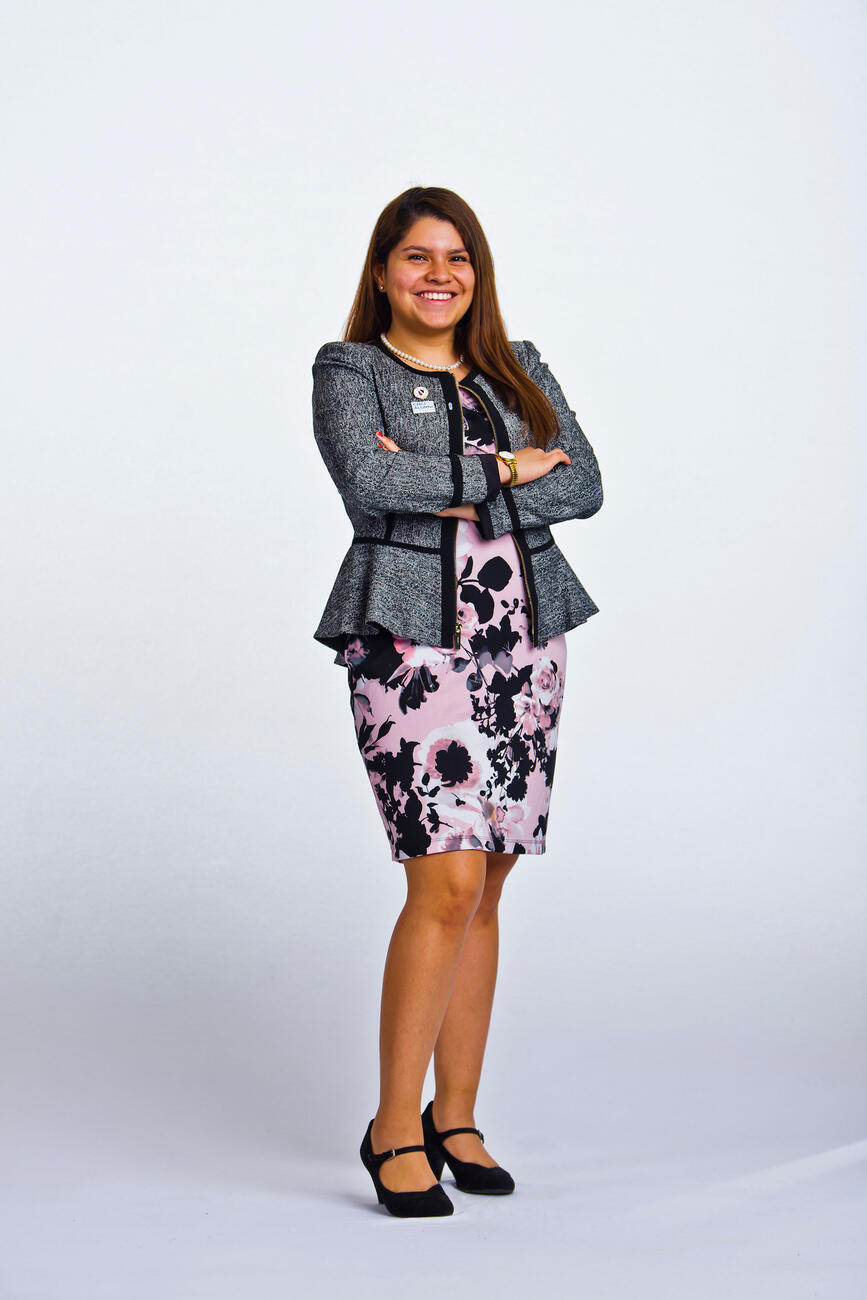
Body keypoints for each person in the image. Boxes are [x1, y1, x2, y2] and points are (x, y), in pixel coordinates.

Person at [311, 186, 604, 1217]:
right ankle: (394, 1126)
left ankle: (458, 1114)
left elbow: (587, 485)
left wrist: (445, 474)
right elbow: (367, 481)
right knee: (443, 879)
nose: (440, 274)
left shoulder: (519, 365)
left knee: (488, 888)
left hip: (523, 643)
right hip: (410, 643)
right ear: (384, 270)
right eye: (418, 257)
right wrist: (511, 463)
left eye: (459, 258)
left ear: (476, 273)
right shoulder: (351, 370)